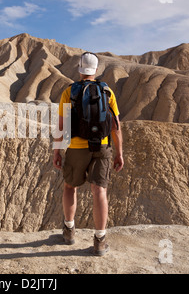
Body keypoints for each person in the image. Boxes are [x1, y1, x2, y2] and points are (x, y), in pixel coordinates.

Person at [53, 52, 124, 256]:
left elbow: (61, 125)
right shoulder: (107, 92)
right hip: (102, 147)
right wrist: (119, 153)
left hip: (76, 146)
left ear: (79, 69)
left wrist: (57, 151)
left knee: (69, 187)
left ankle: (69, 232)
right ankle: (100, 241)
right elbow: (116, 126)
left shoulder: (70, 92)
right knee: (99, 191)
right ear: (96, 70)